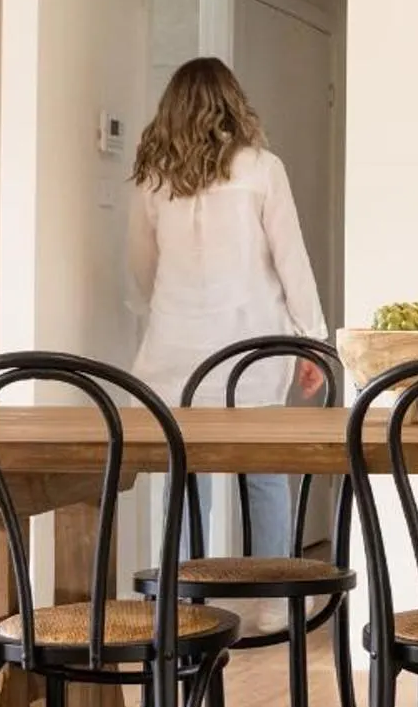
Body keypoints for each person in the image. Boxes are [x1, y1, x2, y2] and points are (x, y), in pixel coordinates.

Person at [127, 56, 328, 555]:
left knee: (184, 481)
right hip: (252, 352)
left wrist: (168, 307)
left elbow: (141, 267)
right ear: (232, 104)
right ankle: (271, 606)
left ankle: (182, 604)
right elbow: (292, 259)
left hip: (175, 356)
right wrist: (312, 340)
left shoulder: (155, 177)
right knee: (263, 476)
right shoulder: (262, 168)